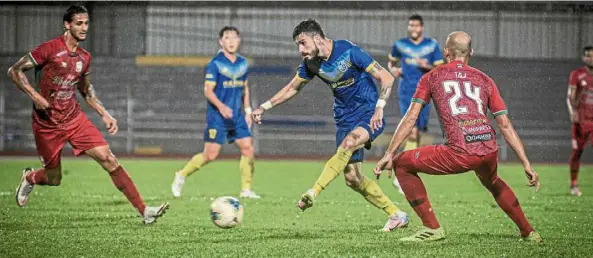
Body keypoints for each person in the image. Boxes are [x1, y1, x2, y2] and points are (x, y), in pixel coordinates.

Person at [375, 31, 542, 242]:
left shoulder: (432, 77)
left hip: (461, 152)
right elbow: (505, 125)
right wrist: (526, 163)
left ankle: (432, 228)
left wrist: (390, 153)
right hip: (488, 148)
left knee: (401, 163)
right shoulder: (485, 80)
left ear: (446, 52)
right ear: (471, 52)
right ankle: (529, 232)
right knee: (492, 181)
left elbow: (411, 118)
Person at [9, 5, 168, 224]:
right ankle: (29, 177)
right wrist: (36, 97)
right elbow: (14, 71)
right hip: (47, 125)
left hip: (74, 119)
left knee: (109, 159)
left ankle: (144, 211)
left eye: (86, 23)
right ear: (67, 25)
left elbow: (86, 91)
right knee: (54, 179)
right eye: (79, 23)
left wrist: (105, 114)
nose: (84, 28)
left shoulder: (84, 57)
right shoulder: (49, 49)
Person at [252, 19, 409, 232]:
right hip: (344, 119)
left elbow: (387, 78)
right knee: (353, 178)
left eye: (303, 43)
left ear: (317, 39)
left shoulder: (349, 51)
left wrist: (380, 107)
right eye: (297, 45)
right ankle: (396, 215)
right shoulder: (311, 63)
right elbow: (292, 88)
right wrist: (264, 106)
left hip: (369, 113)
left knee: (349, 143)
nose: (300, 50)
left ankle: (313, 192)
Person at [171, 26, 260, 199]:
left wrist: (248, 110)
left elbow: (245, 88)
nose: (231, 41)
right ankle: (181, 175)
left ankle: (246, 189)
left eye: (234, 37)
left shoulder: (243, 63)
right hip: (218, 117)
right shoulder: (215, 64)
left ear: (239, 40)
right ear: (221, 42)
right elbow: (208, 91)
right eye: (227, 38)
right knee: (210, 155)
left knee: (248, 148)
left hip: (236, 116)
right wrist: (221, 107)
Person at [387, 14, 444, 194]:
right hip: (406, 91)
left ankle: (407, 171)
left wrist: (426, 66)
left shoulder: (432, 45)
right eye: (410, 25)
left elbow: (440, 68)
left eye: (416, 26)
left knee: (417, 134)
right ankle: (401, 175)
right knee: (411, 132)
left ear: (422, 27)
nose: (413, 29)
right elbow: (392, 61)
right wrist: (393, 69)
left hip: (426, 92)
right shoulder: (400, 45)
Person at [566, 45, 593, 197]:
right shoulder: (577, 74)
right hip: (581, 121)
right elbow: (570, 96)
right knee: (577, 152)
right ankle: (574, 185)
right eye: (588, 56)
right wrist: (573, 112)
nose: (591, 58)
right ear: (584, 58)